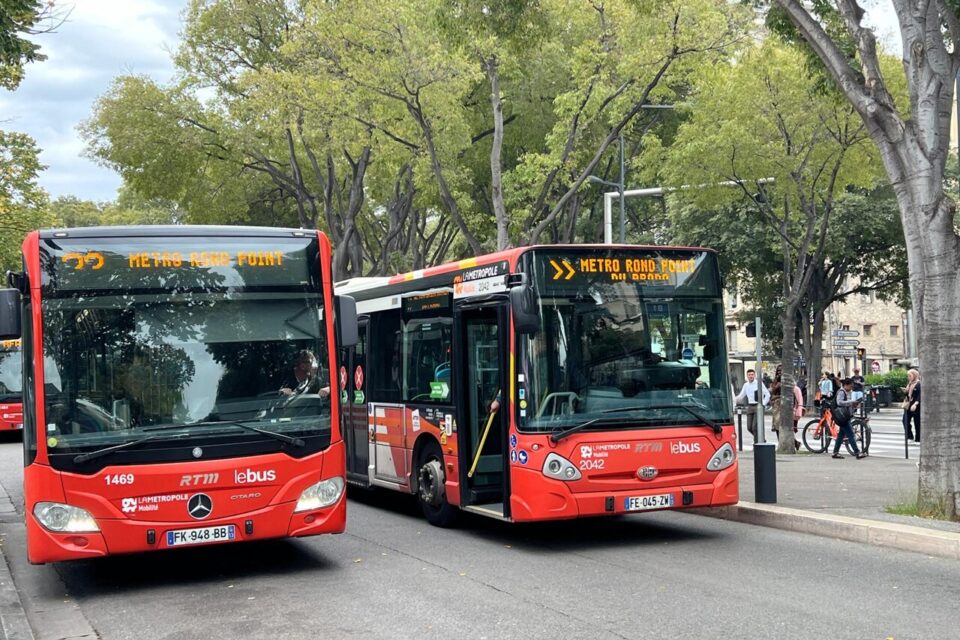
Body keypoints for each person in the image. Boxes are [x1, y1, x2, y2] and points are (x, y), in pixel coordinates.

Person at [831, 377, 866, 459]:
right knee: (851, 434)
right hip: (842, 417)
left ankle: (835, 452)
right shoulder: (841, 392)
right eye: (850, 386)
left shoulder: (846, 392)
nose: (851, 388)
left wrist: (853, 404)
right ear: (845, 385)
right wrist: (851, 402)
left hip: (843, 416)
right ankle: (857, 452)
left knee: (841, 435)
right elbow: (839, 402)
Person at [735, 368, 770, 439]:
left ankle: (757, 443)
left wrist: (763, 404)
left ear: (754, 375)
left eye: (752, 375)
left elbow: (767, 394)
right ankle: (761, 439)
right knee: (749, 427)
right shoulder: (746, 385)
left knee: (755, 427)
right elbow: (741, 395)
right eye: (749, 375)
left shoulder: (759, 384)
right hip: (750, 406)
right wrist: (733, 400)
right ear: (747, 376)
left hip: (758, 406)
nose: (751, 376)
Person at [902, 368, 921, 442]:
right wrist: (905, 391)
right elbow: (908, 395)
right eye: (908, 376)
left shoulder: (919, 384)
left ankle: (918, 439)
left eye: (910, 376)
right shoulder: (909, 384)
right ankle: (909, 436)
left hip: (916, 406)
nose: (908, 378)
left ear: (915, 375)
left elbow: (920, 395)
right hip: (909, 405)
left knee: (917, 423)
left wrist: (916, 404)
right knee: (905, 420)